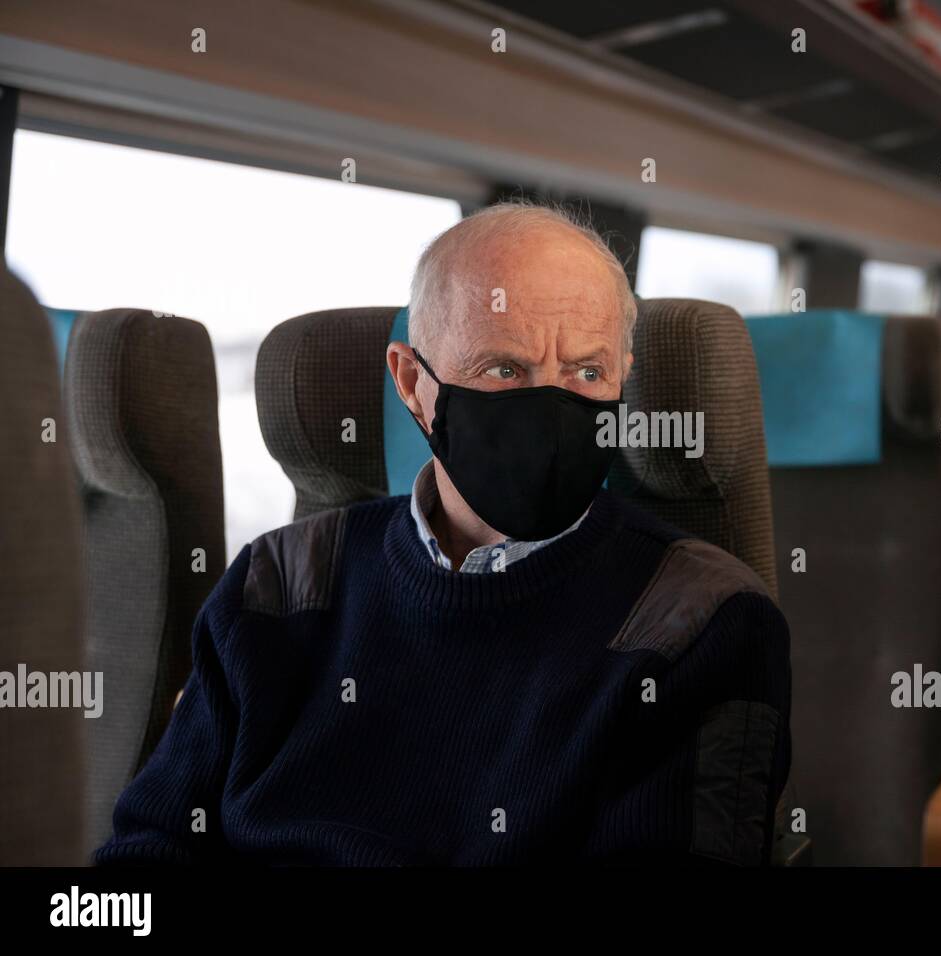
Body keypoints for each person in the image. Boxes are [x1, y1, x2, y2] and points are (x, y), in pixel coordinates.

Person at [94, 202, 792, 865]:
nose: (549, 408)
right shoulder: (277, 583)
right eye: (503, 368)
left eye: (587, 371)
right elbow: (149, 850)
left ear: (622, 384)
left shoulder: (699, 622)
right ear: (412, 383)